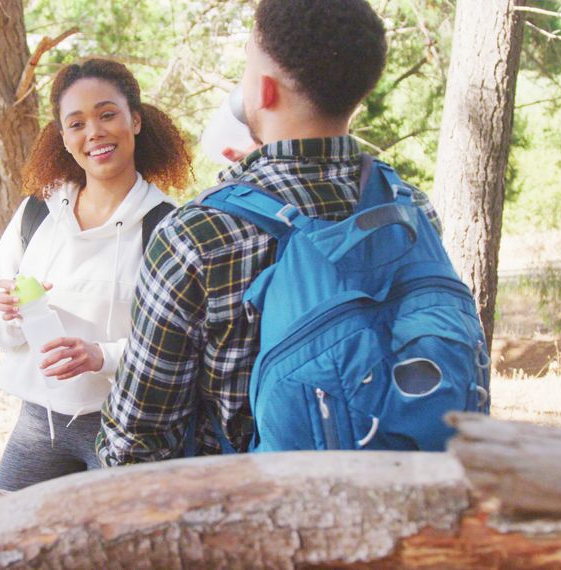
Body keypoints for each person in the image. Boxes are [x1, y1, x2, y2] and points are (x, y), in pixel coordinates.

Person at [96, 0, 444, 464]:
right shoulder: (410, 208)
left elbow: (134, 444)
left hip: (252, 518)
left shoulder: (196, 235)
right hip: (399, 503)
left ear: (261, 90)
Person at [0, 58, 191, 490]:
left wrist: (102, 356)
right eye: (76, 123)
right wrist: (8, 313)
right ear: (62, 137)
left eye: (107, 114)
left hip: (127, 430)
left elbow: (183, 347)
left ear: (135, 120)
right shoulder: (36, 213)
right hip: (38, 427)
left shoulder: (169, 226)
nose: (94, 131)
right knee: (10, 545)